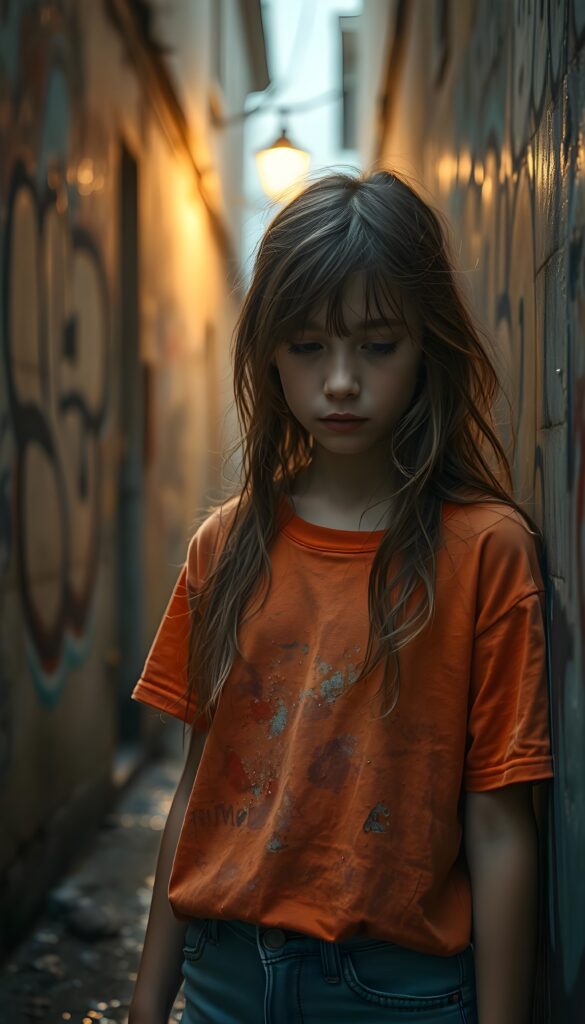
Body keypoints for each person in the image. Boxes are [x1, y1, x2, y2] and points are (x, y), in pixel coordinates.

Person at [128, 169, 554, 1024]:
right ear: (267, 354)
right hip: (223, 977)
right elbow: (198, 789)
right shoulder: (227, 546)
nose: (341, 382)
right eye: (307, 346)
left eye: (377, 345)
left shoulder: (485, 550)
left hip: (396, 989)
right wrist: (147, 1004)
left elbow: (501, 823)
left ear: (427, 345)